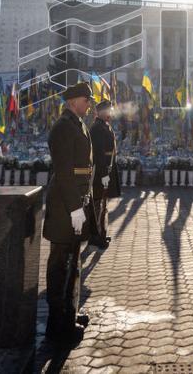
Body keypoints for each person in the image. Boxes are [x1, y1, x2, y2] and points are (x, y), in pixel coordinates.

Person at [43, 81, 95, 345]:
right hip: (65, 206)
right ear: (73, 100)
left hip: (75, 202)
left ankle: (69, 314)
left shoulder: (77, 124)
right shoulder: (63, 127)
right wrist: (75, 208)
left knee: (73, 264)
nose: (89, 104)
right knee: (60, 266)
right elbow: (64, 173)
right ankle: (57, 326)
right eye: (86, 99)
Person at [87, 99, 120, 249]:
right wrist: (103, 174)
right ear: (99, 112)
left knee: (103, 204)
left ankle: (101, 233)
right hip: (101, 171)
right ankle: (95, 236)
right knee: (98, 205)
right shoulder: (96, 128)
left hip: (107, 169)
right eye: (107, 111)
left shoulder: (105, 126)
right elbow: (99, 154)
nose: (110, 113)